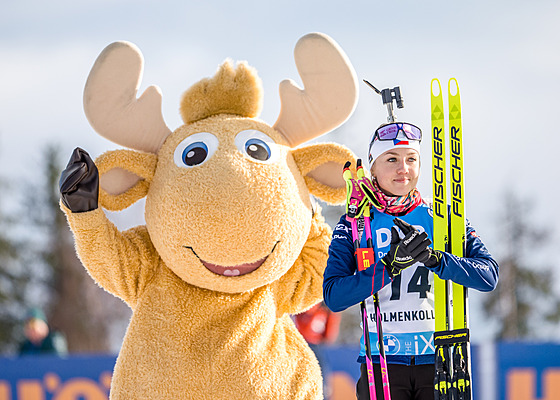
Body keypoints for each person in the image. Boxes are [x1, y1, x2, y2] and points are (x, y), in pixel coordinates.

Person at [323, 122, 499, 400]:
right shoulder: (355, 223)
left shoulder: (443, 217)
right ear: (373, 168)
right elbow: (334, 296)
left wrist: (436, 260)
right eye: (391, 159)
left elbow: (488, 275)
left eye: (411, 159)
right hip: (382, 364)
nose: (402, 168)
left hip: (440, 361)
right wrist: (388, 267)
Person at [295, 301, 341, 399]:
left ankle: (323, 394)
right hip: (301, 343)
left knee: (322, 371)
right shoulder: (309, 305)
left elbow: (329, 335)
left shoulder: (327, 311)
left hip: (317, 345)